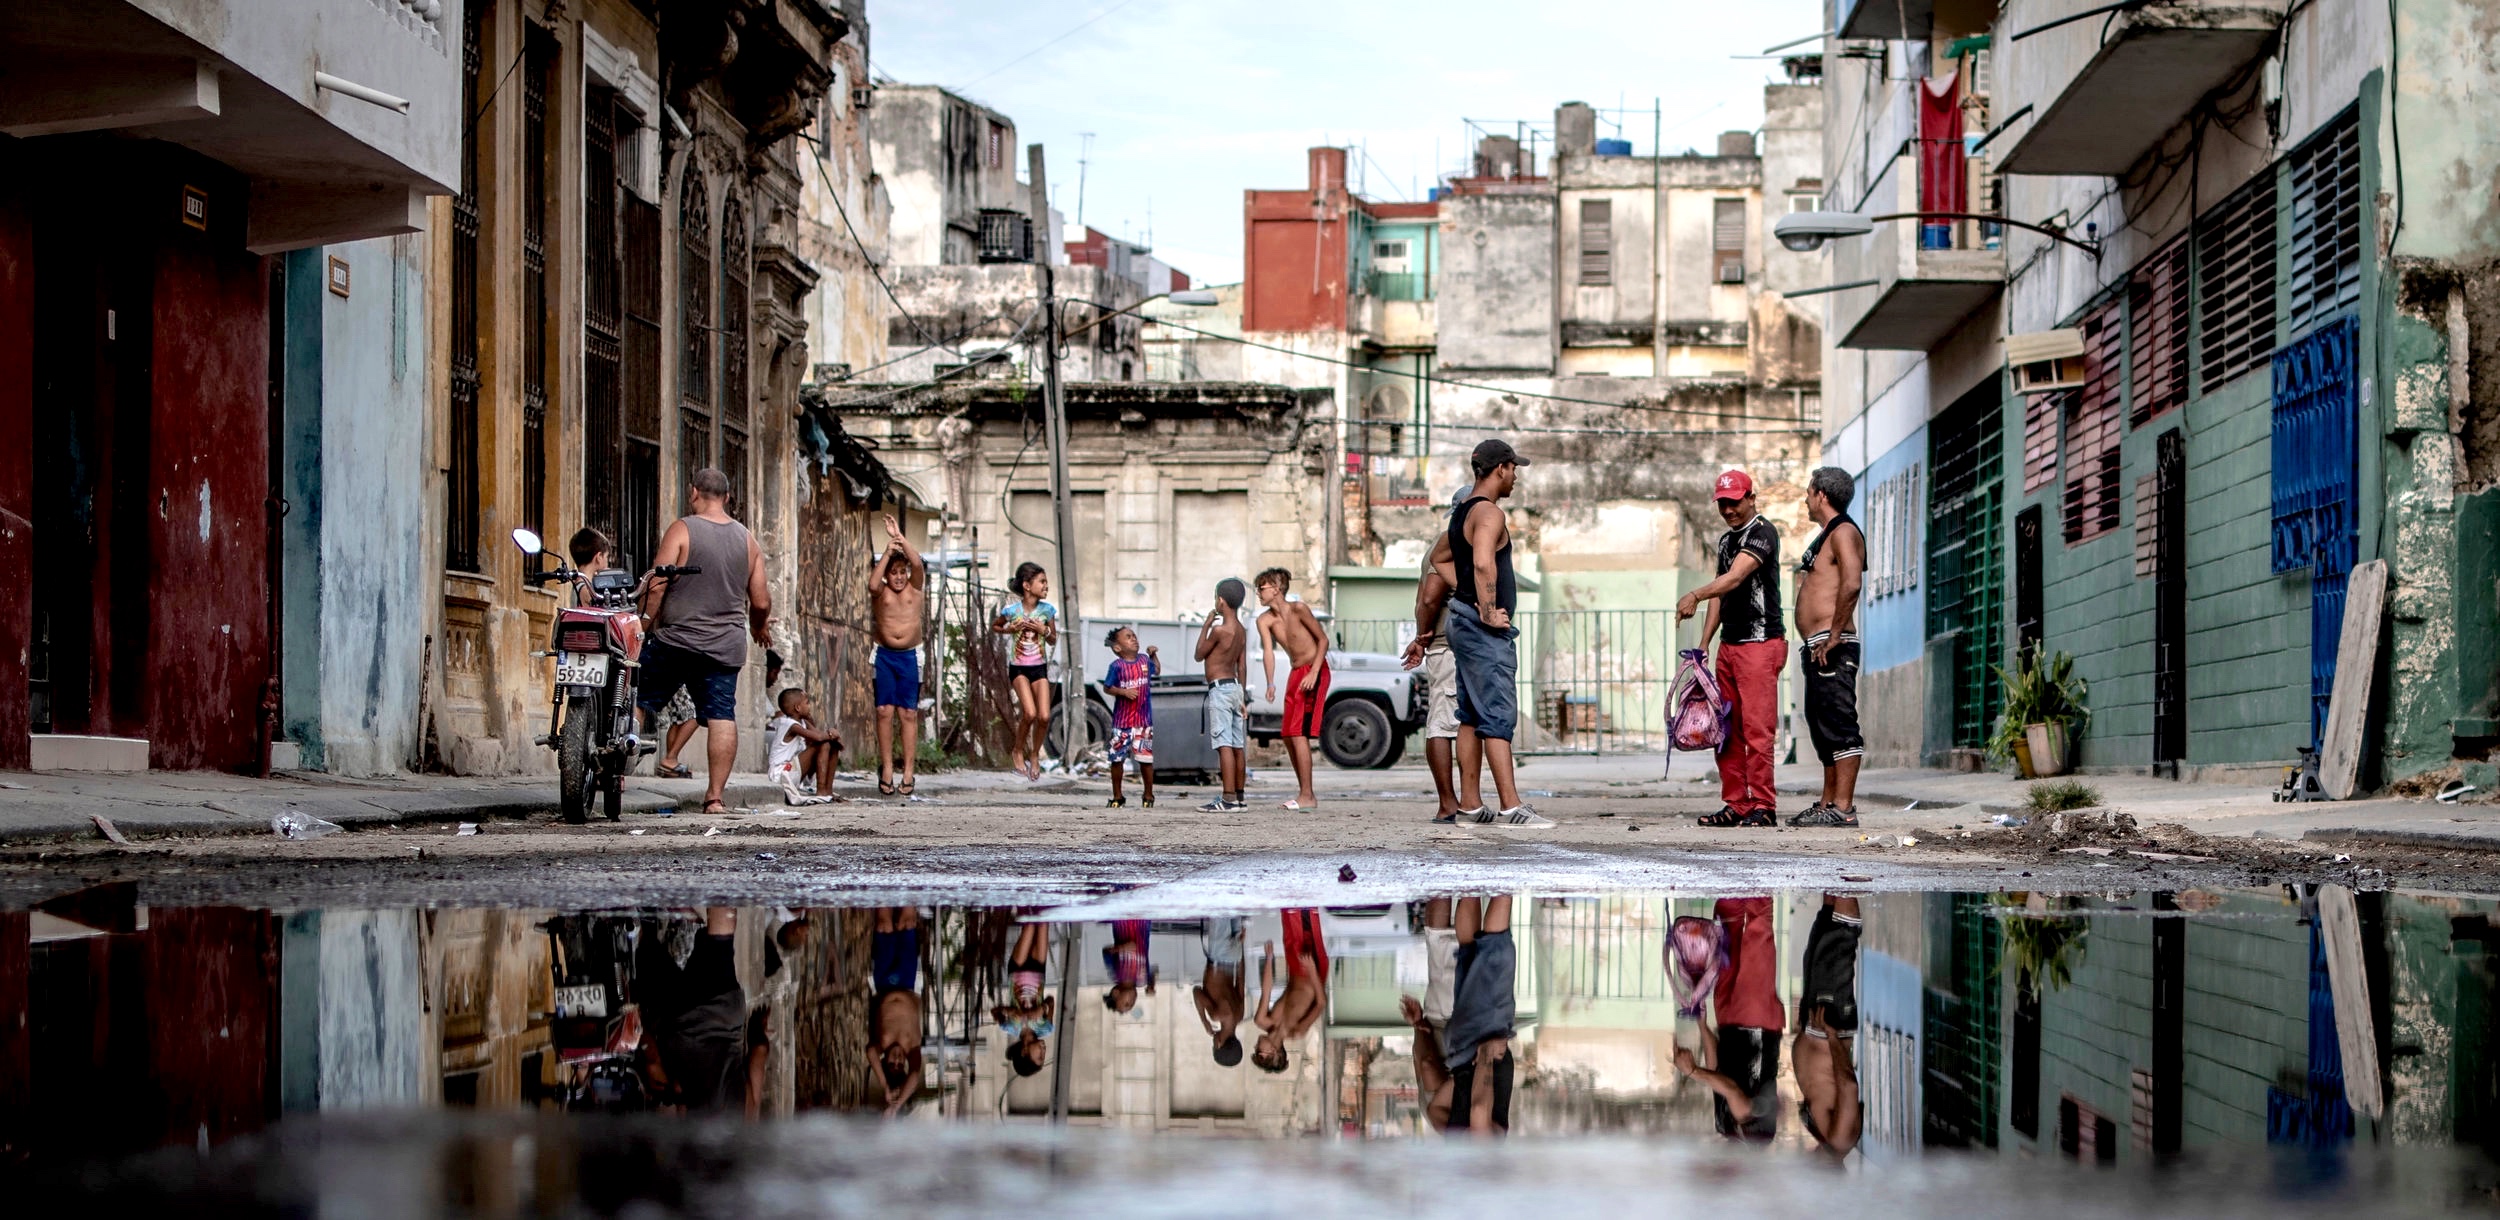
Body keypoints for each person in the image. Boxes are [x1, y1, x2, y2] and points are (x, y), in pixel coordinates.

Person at [636, 468, 771, 817]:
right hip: (724, 646)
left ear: (693, 492)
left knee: (638, 697)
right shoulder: (747, 540)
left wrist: (645, 625)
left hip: (675, 640)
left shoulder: (682, 529)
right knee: (722, 714)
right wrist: (758, 628)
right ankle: (714, 799)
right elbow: (760, 602)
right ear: (727, 497)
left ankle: (617, 775)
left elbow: (657, 584)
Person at [1447, 440, 1551, 828]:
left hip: (1461, 620)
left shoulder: (1461, 513)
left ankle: (1471, 806)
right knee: (1497, 714)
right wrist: (1488, 611)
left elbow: (1443, 557)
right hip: (1480, 629)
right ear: (1500, 469)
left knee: (1471, 716)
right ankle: (1511, 806)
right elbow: (1481, 561)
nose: (1516, 476)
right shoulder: (1489, 513)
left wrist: (1463, 597)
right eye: (1513, 468)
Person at [1676, 469, 1788, 828]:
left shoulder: (1763, 533)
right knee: (1725, 730)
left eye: (1735, 502)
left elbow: (1736, 577)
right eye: (1723, 503)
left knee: (1757, 731)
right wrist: (1704, 645)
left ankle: (1764, 806)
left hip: (1760, 643)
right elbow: (1721, 595)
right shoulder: (1725, 542)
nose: (1729, 509)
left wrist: (1694, 593)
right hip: (1730, 647)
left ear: (1751, 498)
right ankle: (1737, 804)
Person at [1672, 896, 1783, 1141]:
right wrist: (1692, 1072)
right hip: (1758, 1026)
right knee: (1757, 934)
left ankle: (1732, 883)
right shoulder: (1756, 1140)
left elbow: (1717, 1069)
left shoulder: (1723, 1126)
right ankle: (1759, 878)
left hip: (1728, 1024)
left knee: (1725, 936)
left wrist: (1701, 1020)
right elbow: (1734, 1092)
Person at [1793, 467, 1867, 828]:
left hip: (1833, 644)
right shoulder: (1827, 535)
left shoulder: (1845, 532)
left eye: (1809, 492)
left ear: (1821, 494)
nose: (1805, 498)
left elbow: (1852, 584)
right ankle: (1827, 803)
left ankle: (1844, 807)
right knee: (1821, 727)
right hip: (1817, 645)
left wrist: (1835, 633)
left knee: (1839, 724)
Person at [634, 906, 748, 1111]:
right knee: (646, 954)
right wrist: (643, 1036)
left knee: (720, 944)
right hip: (683, 1022)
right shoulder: (696, 1126)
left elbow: (756, 1063)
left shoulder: (741, 1123)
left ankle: (722, 889)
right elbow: (659, 1068)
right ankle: (645, 920)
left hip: (726, 1015)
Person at [1400, 492, 1467, 824]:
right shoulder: (1450, 545)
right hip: (1446, 646)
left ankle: (1464, 801)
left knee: (1457, 723)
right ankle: (1447, 803)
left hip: (1449, 645)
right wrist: (1423, 638)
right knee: (1441, 725)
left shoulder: (1450, 543)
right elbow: (1429, 598)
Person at [1424, 895, 1515, 1134]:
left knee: (1496, 951)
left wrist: (1484, 1056)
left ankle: (1504, 876)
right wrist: (1462, 1079)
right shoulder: (1454, 1145)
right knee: (1468, 951)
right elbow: (1435, 1110)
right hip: (1459, 1049)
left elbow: (1478, 1110)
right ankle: (1469, 880)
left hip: (1484, 1043)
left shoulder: (1484, 1157)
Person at [1254, 569, 1330, 811]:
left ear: (1276, 588)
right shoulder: (1264, 620)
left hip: (1315, 669)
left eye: (1262, 588)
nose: (1258, 593)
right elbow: (1268, 652)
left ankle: (1307, 795)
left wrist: (1314, 672)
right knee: (1287, 733)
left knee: (1298, 732)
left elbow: (1323, 640)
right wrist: (1270, 683)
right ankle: (1304, 792)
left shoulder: (1299, 609)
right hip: (1296, 672)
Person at [1795, 893, 1863, 1159]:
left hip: (1816, 1027)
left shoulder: (1826, 1139)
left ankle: (1835, 872)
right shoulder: (1841, 1139)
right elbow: (1848, 1086)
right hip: (1829, 1028)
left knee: (1823, 935)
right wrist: (1833, 1037)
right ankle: (1850, 874)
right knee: (1839, 942)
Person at [869, 514, 927, 798]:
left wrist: (900, 538)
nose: (900, 577)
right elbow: (872, 584)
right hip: (884, 655)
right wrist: (887, 552)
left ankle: (908, 771)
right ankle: (887, 769)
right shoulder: (881, 592)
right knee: (883, 712)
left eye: (902, 571)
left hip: (909, 656)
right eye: (894, 572)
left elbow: (916, 564)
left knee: (908, 714)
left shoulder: (915, 588)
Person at [993, 563, 1059, 781]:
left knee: (1044, 716)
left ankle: (1034, 754)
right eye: (1042, 582)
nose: (1046, 586)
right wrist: (1008, 629)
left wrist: (1045, 630)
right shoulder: (1012, 611)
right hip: (1019, 667)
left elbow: (1052, 640)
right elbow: (996, 626)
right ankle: (1018, 749)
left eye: (1046, 582)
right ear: (1027, 586)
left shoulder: (1047, 610)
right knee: (1029, 713)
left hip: (1039, 667)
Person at [1195, 579, 1251, 812]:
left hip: (1219, 689)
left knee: (1224, 744)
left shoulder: (1219, 630)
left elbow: (1199, 654)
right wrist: (1243, 699)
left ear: (1220, 601)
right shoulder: (1241, 631)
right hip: (1236, 688)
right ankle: (1239, 797)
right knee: (1237, 745)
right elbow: (1243, 666)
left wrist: (1206, 625)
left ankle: (1227, 799)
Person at [1251, 907, 1330, 1073]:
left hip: (1294, 967)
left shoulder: (1262, 1020)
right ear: (1273, 1051)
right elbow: (1321, 1003)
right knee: (1306, 914)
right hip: (1312, 971)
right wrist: (1313, 970)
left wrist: (1270, 959)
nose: (1256, 1046)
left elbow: (1267, 990)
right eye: (1259, 1051)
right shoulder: (1296, 1032)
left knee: (1288, 912)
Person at [868, 907, 924, 1115]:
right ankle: (908, 877)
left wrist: (885, 1086)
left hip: (884, 981)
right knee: (907, 922)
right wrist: (898, 1103)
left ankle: (881, 877)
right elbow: (915, 1074)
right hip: (907, 981)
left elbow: (870, 1052)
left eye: (892, 1064)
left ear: (884, 1062)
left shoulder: (880, 1046)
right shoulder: (913, 1049)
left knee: (884, 924)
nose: (898, 1060)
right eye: (901, 1065)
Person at [1102, 626, 1159, 807]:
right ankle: (1118, 795)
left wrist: (1153, 656)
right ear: (1118, 648)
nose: (1134, 639)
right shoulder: (1116, 667)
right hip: (1122, 723)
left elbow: (1156, 670)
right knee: (1117, 759)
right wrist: (1123, 692)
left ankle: (1148, 794)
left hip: (1143, 722)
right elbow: (1107, 687)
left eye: (1134, 636)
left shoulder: (1143, 660)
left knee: (1145, 759)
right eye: (1128, 637)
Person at [993, 921, 1057, 1079]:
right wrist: (1042, 1009)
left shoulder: (1010, 1027)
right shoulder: (1046, 1028)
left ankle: (1025, 900)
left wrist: (1011, 1011)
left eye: (1039, 1056)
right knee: (1043, 923)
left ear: (1024, 1052)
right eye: (1044, 1055)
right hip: (1038, 969)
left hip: (1017, 970)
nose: (1044, 1051)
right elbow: (1050, 1001)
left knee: (1029, 926)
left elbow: (995, 1011)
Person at [765, 687, 842, 804]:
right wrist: (831, 733)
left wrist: (832, 737)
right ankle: (821, 790)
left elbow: (817, 733)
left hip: (793, 772)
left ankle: (828, 790)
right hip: (782, 773)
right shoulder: (790, 725)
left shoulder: (802, 722)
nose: (810, 706)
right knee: (823, 745)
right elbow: (819, 738)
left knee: (832, 745)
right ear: (798, 708)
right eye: (807, 703)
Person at [1193, 916, 1248, 1067]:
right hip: (1218, 955)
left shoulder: (1239, 1014)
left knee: (1233, 904)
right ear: (1219, 1044)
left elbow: (1241, 982)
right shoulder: (1216, 1015)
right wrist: (1204, 1021)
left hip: (1234, 957)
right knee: (1220, 906)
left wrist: (1240, 950)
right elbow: (1196, 992)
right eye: (1213, 1046)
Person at [1102, 918, 1156, 1014]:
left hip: (1123, 921)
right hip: (1143, 922)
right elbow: (1154, 971)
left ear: (1116, 993)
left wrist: (1122, 948)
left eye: (1127, 1003)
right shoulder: (1142, 979)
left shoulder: (1116, 974)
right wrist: (1151, 985)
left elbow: (1106, 952)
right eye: (1133, 1004)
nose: (1132, 1001)